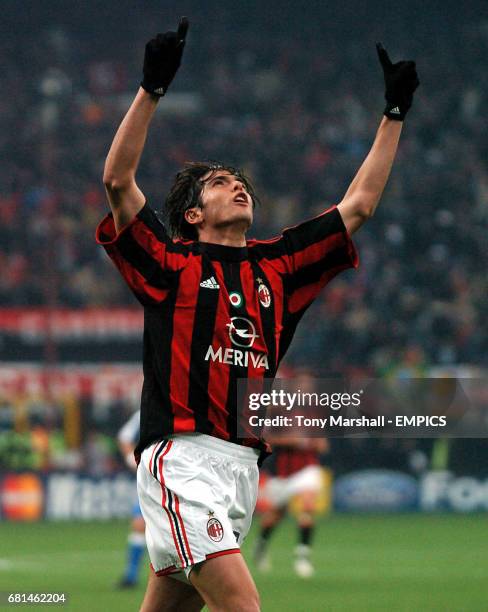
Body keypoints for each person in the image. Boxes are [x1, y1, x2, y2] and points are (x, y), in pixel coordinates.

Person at [96, 16, 419, 612]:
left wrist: (393, 115)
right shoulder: (171, 263)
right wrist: (151, 91)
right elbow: (118, 182)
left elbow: (360, 207)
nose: (238, 187)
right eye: (221, 183)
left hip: (243, 469)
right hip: (183, 460)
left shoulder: (280, 266)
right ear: (193, 215)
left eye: (241, 181)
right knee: (244, 606)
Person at [254, 436, 328, 578]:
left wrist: (316, 443)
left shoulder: (311, 417)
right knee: (274, 516)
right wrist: (294, 441)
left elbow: (323, 445)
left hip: (307, 470)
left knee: (307, 509)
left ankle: (303, 557)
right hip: (281, 475)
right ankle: (260, 547)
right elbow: (267, 438)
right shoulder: (276, 416)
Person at [116, 409, 146, 589]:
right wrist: (130, 458)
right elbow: (124, 437)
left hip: (186, 479)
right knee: (139, 524)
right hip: (154, 478)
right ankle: (131, 574)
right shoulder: (145, 412)